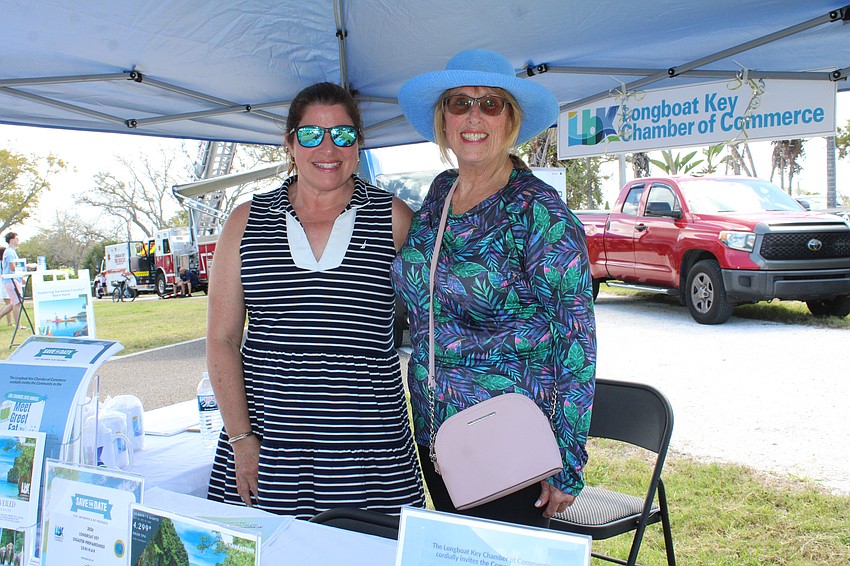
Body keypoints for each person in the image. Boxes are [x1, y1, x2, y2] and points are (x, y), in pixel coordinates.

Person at [392, 49, 597, 527]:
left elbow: (577, 339)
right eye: (459, 103)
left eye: (490, 104)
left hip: (508, 435)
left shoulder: (536, 210)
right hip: (438, 430)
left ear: (511, 120)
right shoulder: (442, 192)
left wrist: (568, 457)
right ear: (443, 119)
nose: (473, 116)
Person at [205, 82, 426, 519]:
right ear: (289, 143)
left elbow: (446, 318)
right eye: (311, 134)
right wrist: (242, 440)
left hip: (371, 455)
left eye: (343, 134)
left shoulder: (394, 218)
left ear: (359, 144)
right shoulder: (245, 222)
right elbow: (222, 339)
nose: (328, 147)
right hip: (271, 450)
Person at [0, 233, 27, 330]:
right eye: (16, 238)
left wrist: (21, 278)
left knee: (13, 303)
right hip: (11, 280)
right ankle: (18, 325)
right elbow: (13, 267)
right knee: (17, 303)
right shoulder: (10, 252)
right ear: (11, 240)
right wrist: (22, 275)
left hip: (11, 280)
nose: (18, 240)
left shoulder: (11, 251)